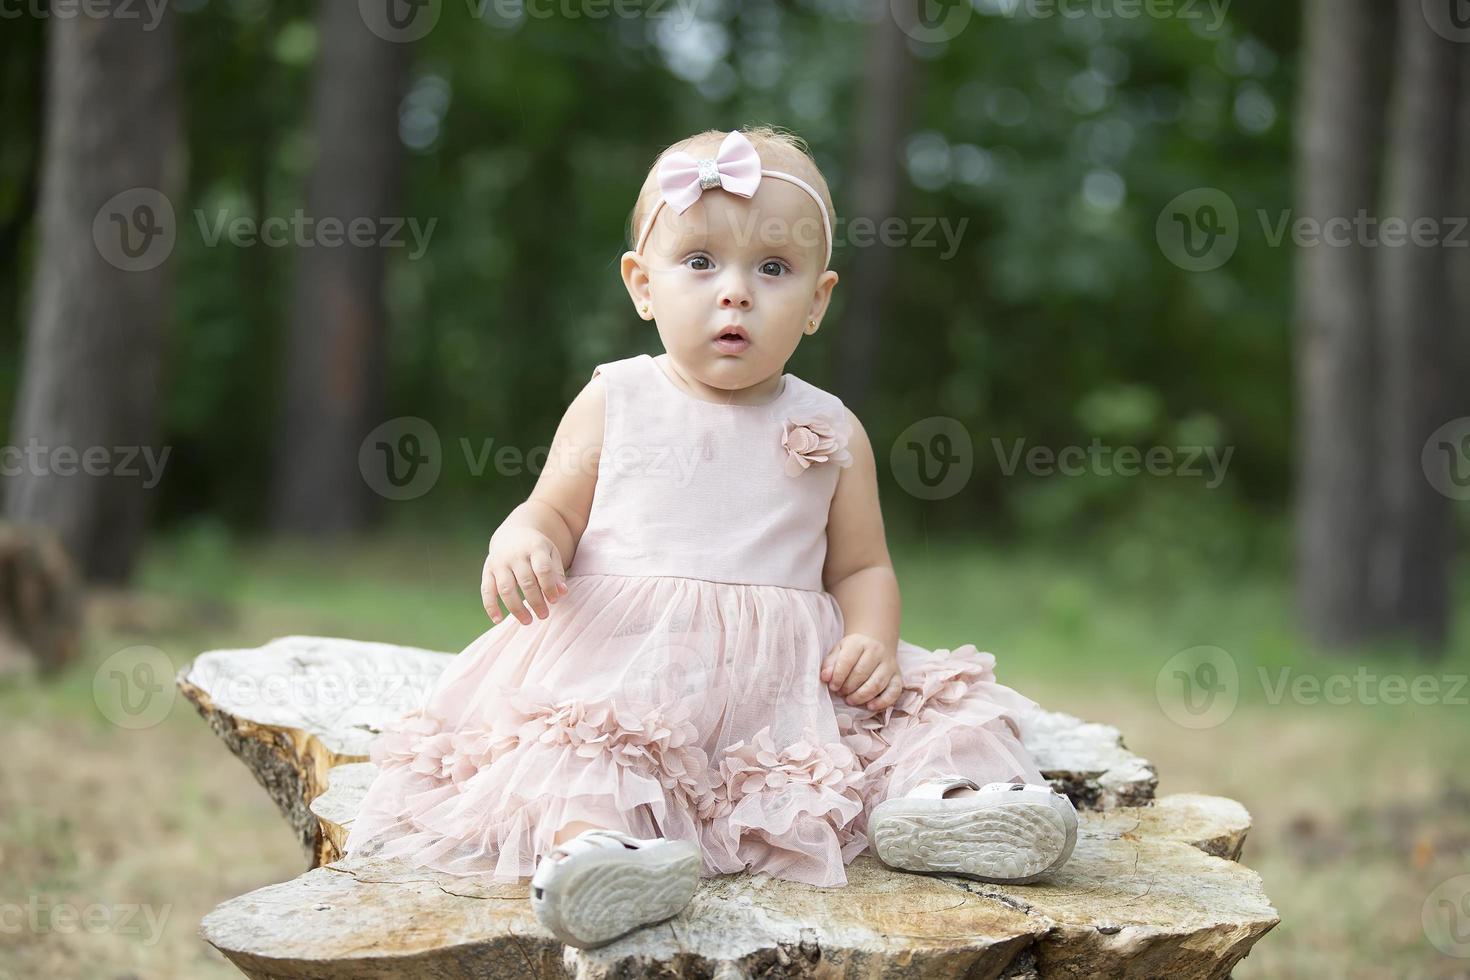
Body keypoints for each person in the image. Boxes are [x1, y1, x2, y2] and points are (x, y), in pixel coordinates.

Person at [343, 126, 1077, 950]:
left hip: (787, 686)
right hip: (630, 667)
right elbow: (551, 509)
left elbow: (863, 565)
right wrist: (525, 539)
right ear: (641, 285)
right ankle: (600, 855)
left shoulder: (830, 426)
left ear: (817, 301)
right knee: (589, 751)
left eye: (773, 269)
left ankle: (945, 809)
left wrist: (872, 635)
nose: (736, 293)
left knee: (936, 711)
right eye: (700, 263)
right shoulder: (616, 398)